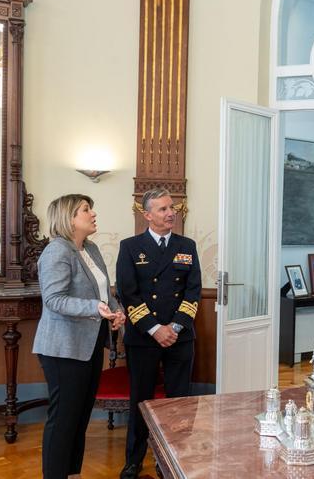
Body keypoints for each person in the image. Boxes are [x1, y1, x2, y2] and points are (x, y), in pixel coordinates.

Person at [32, 194, 125, 479]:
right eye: (86, 210)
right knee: (63, 420)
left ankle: (72, 473)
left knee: (80, 416)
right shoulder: (56, 251)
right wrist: (94, 308)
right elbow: (54, 299)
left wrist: (116, 310)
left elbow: (103, 291)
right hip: (63, 349)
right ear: (69, 217)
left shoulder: (91, 248)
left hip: (90, 344)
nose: (93, 213)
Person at [116, 188, 201, 479]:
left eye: (172, 208)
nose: (170, 213)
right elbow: (128, 293)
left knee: (179, 402)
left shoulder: (187, 245)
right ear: (147, 214)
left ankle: (175, 456)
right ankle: (134, 458)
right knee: (142, 399)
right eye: (163, 209)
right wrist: (154, 329)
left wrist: (174, 327)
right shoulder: (130, 247)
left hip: (179, 337)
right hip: (143, 338)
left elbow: (193, 291)